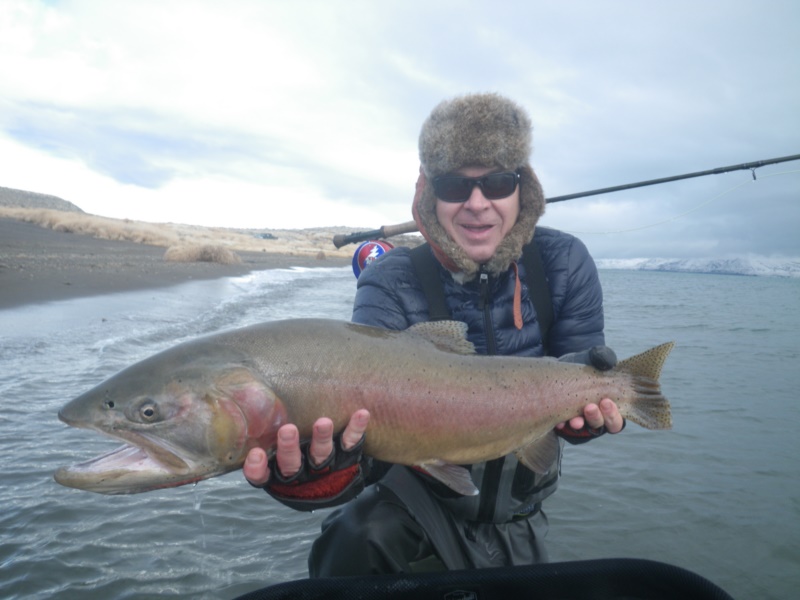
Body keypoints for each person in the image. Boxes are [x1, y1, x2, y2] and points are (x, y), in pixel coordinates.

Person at [243, 93, 625, 575]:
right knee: (353, 537)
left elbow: (576, 385)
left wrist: (589, 417)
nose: (478, 204)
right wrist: (317, 476)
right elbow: (368, 441)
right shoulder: (390, 280)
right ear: (429, 193)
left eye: (497, 182)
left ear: (522, 189)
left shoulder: (564, 262)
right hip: (412, 509)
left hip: (520, 514)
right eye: (454, 186)